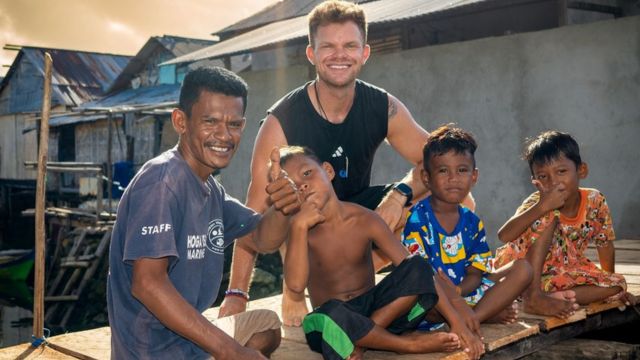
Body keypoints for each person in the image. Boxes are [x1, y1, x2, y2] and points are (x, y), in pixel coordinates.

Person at [221, 0, 474, 327]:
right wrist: (237, 293)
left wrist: (399, 194)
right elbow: (253, 212)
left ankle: (391, 278)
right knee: (285, 209)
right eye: (328, 46)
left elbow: (440, 165)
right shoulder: (281, 121)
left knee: (456, 195)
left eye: (349, 46)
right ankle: (295, 289)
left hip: (354, 218)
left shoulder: (381, 106)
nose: (339, 55)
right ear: (311, 54)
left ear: (364, 53)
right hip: (306, 228)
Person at [106, 67, 295, 359]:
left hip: (191, 343)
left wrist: (283, 208)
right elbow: (147, 283)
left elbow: (261, 238)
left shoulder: (210, 189)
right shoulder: (162, 182)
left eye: (234, 124)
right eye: (210, 122)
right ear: (181, 121)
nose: (224, 135)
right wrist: (230, 351)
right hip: (154, 352)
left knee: (267, 328)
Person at [277, 145, 485, 360]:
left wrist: (457, 322)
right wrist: (299, 227)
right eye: (293, 186)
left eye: (307, 173)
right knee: (324, 316)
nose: (302, 185)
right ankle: (405, 344)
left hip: (382, 313)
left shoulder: (365, 219)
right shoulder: (298, 230)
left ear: (328, 171)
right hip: (334, 321)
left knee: (418, 265)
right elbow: (295, 286)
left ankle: (363, 339)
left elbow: (419, 273)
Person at [402, 125, 533, 327]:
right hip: (433, 299)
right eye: (443, 170)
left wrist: (458, 292)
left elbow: (475, 273)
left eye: (462, 170)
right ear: (426, 178)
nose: (453, 178)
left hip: (464, 292)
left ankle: (474, 317)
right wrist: (451, 296)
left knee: (522, 268)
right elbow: (422, 279)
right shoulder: (418, 220)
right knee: (421, 305)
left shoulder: (471, 222)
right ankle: (480, 315)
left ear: (474, 177)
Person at [494, 130, 636, 316]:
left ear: (581, 170)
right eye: (543, 176)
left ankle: (552, 296)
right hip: (523, 272)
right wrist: (541, 207)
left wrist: (608, 279)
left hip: (560, 273)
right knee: (548, 215)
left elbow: (605, 244)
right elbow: (504, 236)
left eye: (561, 172)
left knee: (617, 286)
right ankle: (533, 297)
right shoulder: (537, 203)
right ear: (534, 180)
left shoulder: (595, 201)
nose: (554, 182)